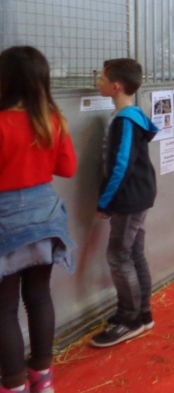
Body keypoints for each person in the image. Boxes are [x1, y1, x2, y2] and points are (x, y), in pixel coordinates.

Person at [0, 46, 77, 393]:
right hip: (45, 216)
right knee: (39, 297)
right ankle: (42, 379)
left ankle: (13, 384)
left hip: (5, 221)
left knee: (4, 309)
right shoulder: (52, 120)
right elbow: (67, 168)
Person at [90, 58, 159, 348]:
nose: (97, 81)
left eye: (101, 77)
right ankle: (141, 313)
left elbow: (120, 165)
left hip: (128, 200)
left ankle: (129, 319)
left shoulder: (126, 120)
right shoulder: (129, 116)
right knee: (133, 254)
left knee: (119, 257)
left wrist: (105, 201)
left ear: (116, 85)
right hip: (135, 197)